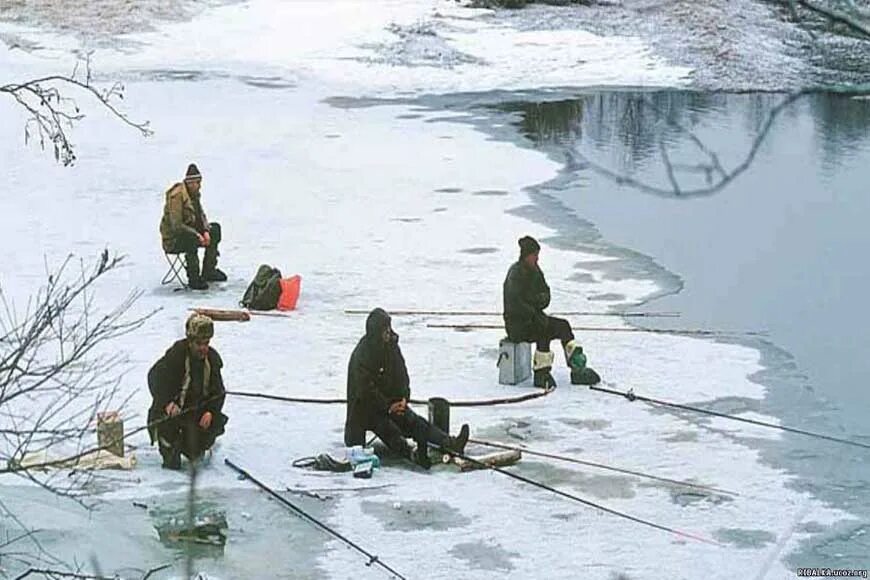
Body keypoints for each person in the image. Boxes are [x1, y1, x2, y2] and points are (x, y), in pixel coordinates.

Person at [344, 308, 470, 469]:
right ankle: (412, 454)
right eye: (385, 331)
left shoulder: (391, 346)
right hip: (366, 409)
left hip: (390, 401)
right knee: (389, 430)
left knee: (414, 421)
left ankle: (450, 443)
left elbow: (402, 375)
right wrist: (388, 407)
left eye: (389, 330)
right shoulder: (361, 356)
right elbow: (365, 392)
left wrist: (403, 398)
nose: (388, 334)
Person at [503, 235, 601, 388]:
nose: (537, 259)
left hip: (536, 318)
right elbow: (515, 304)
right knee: (543, 329)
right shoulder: (515, 274)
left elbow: (545, 295)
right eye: (534, 255)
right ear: (526, 255)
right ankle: (541, 373)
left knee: (563, 326)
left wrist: (535, 302)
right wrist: (534, 310)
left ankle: (577, 369)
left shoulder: (536, 272)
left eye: (537, 255)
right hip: (518, 326)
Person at [147, 313, 228, 469]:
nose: (203, 348)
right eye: (199, 343)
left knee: (198, 449)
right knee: (172, 461)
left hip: (196, 413)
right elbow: (154, 378)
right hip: (172, 414)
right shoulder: (176, 356)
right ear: (190, 341)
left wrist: (210, 411)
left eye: (206, 343)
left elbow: (219, 392)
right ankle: (168, 446)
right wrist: (167, 403)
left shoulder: (212, 360)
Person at [160, 163, 227, 290]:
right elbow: (177, 226)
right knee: (191, 239)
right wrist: (196, 234)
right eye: (198, 182)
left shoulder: (194, 194)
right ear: (190, 183)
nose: (200, 186)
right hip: (174, 239)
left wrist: (206, 230)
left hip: (191, 232)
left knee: (215, 229)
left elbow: (201, 215)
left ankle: (209, 270)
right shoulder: (177, 196)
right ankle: (194, 278)